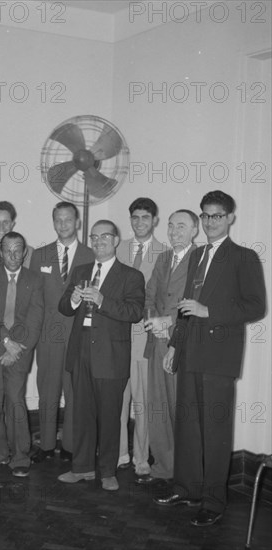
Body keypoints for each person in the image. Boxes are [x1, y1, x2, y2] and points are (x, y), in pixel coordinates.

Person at [154, 191, 266, 527]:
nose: (209, 222)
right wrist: (175, 345)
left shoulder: (243, 257)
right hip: (190, 352)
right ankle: (187, 488)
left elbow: (256, 306)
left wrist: (210, 311)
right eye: (205, 216)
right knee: (187, 426)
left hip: (219, 357)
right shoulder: (197, 254)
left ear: (230, 217)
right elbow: (186, 307)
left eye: (217, 216)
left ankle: (214, 502)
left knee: (215, 431)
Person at [58, 220, 145, 491]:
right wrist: (73, 299)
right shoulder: (82, 269)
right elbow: (64, 307)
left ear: (116, 240)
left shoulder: (130, 276)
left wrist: (102, 300)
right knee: (81, 413)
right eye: (94, 238)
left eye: (104, 237)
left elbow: (134, 313)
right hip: (81, 348)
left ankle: (108, 471)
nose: (98, 242)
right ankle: (82, 468)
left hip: (110, 354)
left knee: (110, 417)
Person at [0, 232, 44, 478]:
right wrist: (5, 341)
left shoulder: (35, 279)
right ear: (0, 253)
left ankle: (21, 456)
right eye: (8, 250)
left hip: (20, 351)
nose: (13, 256)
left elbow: (34, 319)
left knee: (15, 401)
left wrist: (15, 348)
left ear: (25, 252)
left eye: (18, 250)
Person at [136, 210, 198, 485]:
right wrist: (152, 320)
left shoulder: (201, 259)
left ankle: (185, 473)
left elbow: (198, 303)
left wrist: (169, 322)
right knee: (158, 408)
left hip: (183, 344)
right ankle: (163, 467)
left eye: (181, 227)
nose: (174, 232)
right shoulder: (163, 258)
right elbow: (149, 295)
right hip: (157, 341)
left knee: (181, 410)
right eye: (171, 226)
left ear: (195, 230)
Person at [29, 201, 94, 463]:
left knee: (75, 391)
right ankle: (45, 445)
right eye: (58, 220)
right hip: (48, 336)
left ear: (77, 223)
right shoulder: (39, 255)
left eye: (68, 220)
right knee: (48, 390)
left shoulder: (91, 255)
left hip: (78, 336)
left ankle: (69, 445)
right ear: (53, 222)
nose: (63, 224)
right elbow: (33, 299)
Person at [116, 197, 164, 475]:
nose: (140, 222)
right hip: (116, 338)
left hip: (145, 338)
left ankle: (141, 458)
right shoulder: (117, 248)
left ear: (155, 220)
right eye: (135, 217)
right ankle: (120, 453)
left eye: (145, 217)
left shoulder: (165, 252)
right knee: (116, 401)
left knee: (143, 402)